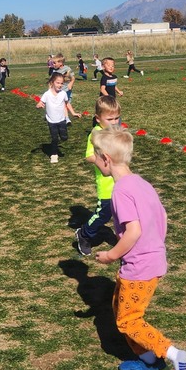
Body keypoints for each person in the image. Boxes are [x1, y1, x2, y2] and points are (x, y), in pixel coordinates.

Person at [90, 127, 186, 370]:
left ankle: (173, 355)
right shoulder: (141, 183)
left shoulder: (120, 191)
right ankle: (149, 361)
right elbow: (163, 216)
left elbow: (133, 230)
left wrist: (111, 255)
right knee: (119, 308)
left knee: (128, 320)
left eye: (96, 156)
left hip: (140, 266)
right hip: (153, 260)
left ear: (106, 160)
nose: (94, 160)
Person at [74, 95, 121, 256]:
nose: (114, 122)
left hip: (121, 181)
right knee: (104, 214)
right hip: (107, 185)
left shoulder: (115, 132)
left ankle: (123, 240)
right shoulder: (96, 135)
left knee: (123, 213)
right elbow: (89, 156)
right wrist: (103, 164)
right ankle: (84, 234)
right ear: (98, 118)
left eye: (117, 118)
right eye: (110, 119)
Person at [36, 72, 78, 164]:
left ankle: (61, 135)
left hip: (62, 120)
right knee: (54, 138)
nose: (60, 85)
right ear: (52, 82)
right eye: (57, 83)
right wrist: (39, 105)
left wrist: (73, 113)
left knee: (64, 138)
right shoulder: (47, 94)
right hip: (51, 121)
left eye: (61, 83)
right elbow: (40, 103)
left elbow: (67, 104)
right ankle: (54, 154)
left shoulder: (63, 94)